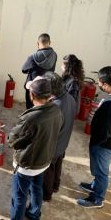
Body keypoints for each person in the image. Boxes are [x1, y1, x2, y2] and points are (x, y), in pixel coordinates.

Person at [0, 76, 63, 220]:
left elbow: (13, 141)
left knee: (19, 197)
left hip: (28, 165)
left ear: (32, 95)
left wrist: (11, 136)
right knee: (36, 188)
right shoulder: (56, 110)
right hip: (44, 160)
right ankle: (35, 215)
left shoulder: (30, 118)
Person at [77, 66, 111, 208]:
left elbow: (105, 132)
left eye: (99, 83)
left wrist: (95, 144)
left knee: (101, 172)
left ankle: (97, 199)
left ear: (105, 84)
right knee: (99, 170)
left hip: (105, 145)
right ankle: (95, 186)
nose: (98, 85)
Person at [42, 72, 76, 202]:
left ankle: (47, 194)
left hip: (53, 146)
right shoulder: (70, 98)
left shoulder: (54, 107)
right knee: (58, 164)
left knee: (48, 170)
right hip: (64, 141)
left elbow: (48, 131)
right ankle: (56, 185)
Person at [22, 33, 57, 109]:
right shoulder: (54, 55)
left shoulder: (32, 57)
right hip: (46, 87)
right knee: (42, 109)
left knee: (30, 108)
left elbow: (24, 69)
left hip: (33, 87)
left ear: (37, 43)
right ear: (50, 42)